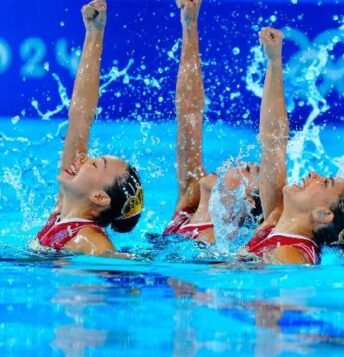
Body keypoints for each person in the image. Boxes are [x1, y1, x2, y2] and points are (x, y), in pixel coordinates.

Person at [235, 27, 344, 265]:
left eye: (325, 182)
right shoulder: (276, 220)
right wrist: (274, 62)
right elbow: (273, 143)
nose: (314, 174)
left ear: (323, 215)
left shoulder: (294, 256)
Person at [32, 0, 144, 256]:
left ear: (99, 198)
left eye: (94, 164)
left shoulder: (90, 241)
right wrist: (94, 32)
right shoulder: (62, 213)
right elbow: (80, 116)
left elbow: (115, 268)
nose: (82, 159)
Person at [163, 0, 263, 245]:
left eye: (249, 170)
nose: (241, 163)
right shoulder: (188, 209)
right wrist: (189, 23)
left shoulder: (218, 243)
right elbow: (189, 113)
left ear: (248, 202)